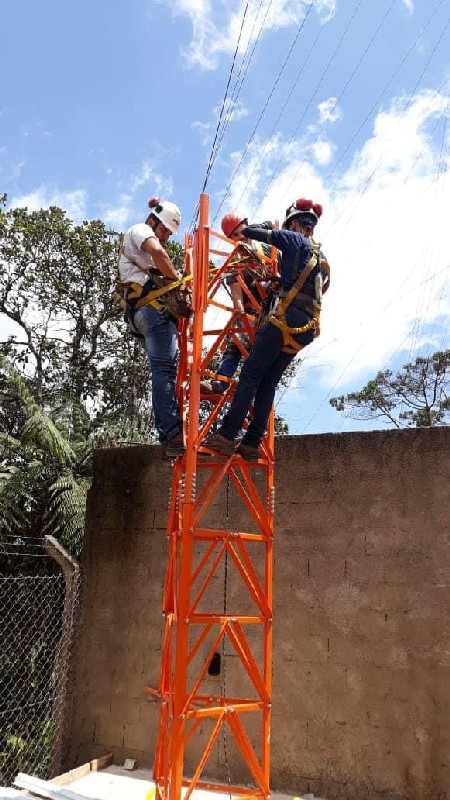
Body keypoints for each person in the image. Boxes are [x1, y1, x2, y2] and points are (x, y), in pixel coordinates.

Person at [204, 198, 331, 460]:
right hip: (306, 327)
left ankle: (226, 435)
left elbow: (269, 235)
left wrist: (245, 232)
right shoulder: (320, 254)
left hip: (285, 319)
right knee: (268, 382)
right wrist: (281, 282)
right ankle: (251, 442)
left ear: (294, 223)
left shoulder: (294, 240)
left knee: (251, 374)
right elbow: (313, 285)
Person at [118, 197, 185, 458]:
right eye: (165, 230)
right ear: (153, 220)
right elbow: (159, 253)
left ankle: (168, 435)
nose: (166, 237)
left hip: (140, 316)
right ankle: (172, 434)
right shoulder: (140, 230)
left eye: (169, 233)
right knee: (164, 370)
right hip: (150, 313)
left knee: (166, 369)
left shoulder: (143, 256)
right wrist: (178, 282)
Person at [204, 213, 278, 394]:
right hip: (253, 309)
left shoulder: (265, 242)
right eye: (235, 236)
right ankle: (221, 383)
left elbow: (273, 225)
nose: (240, 237)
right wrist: (241, 314)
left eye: (241, 231)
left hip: (275, 302)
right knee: (235, 344)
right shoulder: (235, 259)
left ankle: (258, 392)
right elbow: (236, 292)